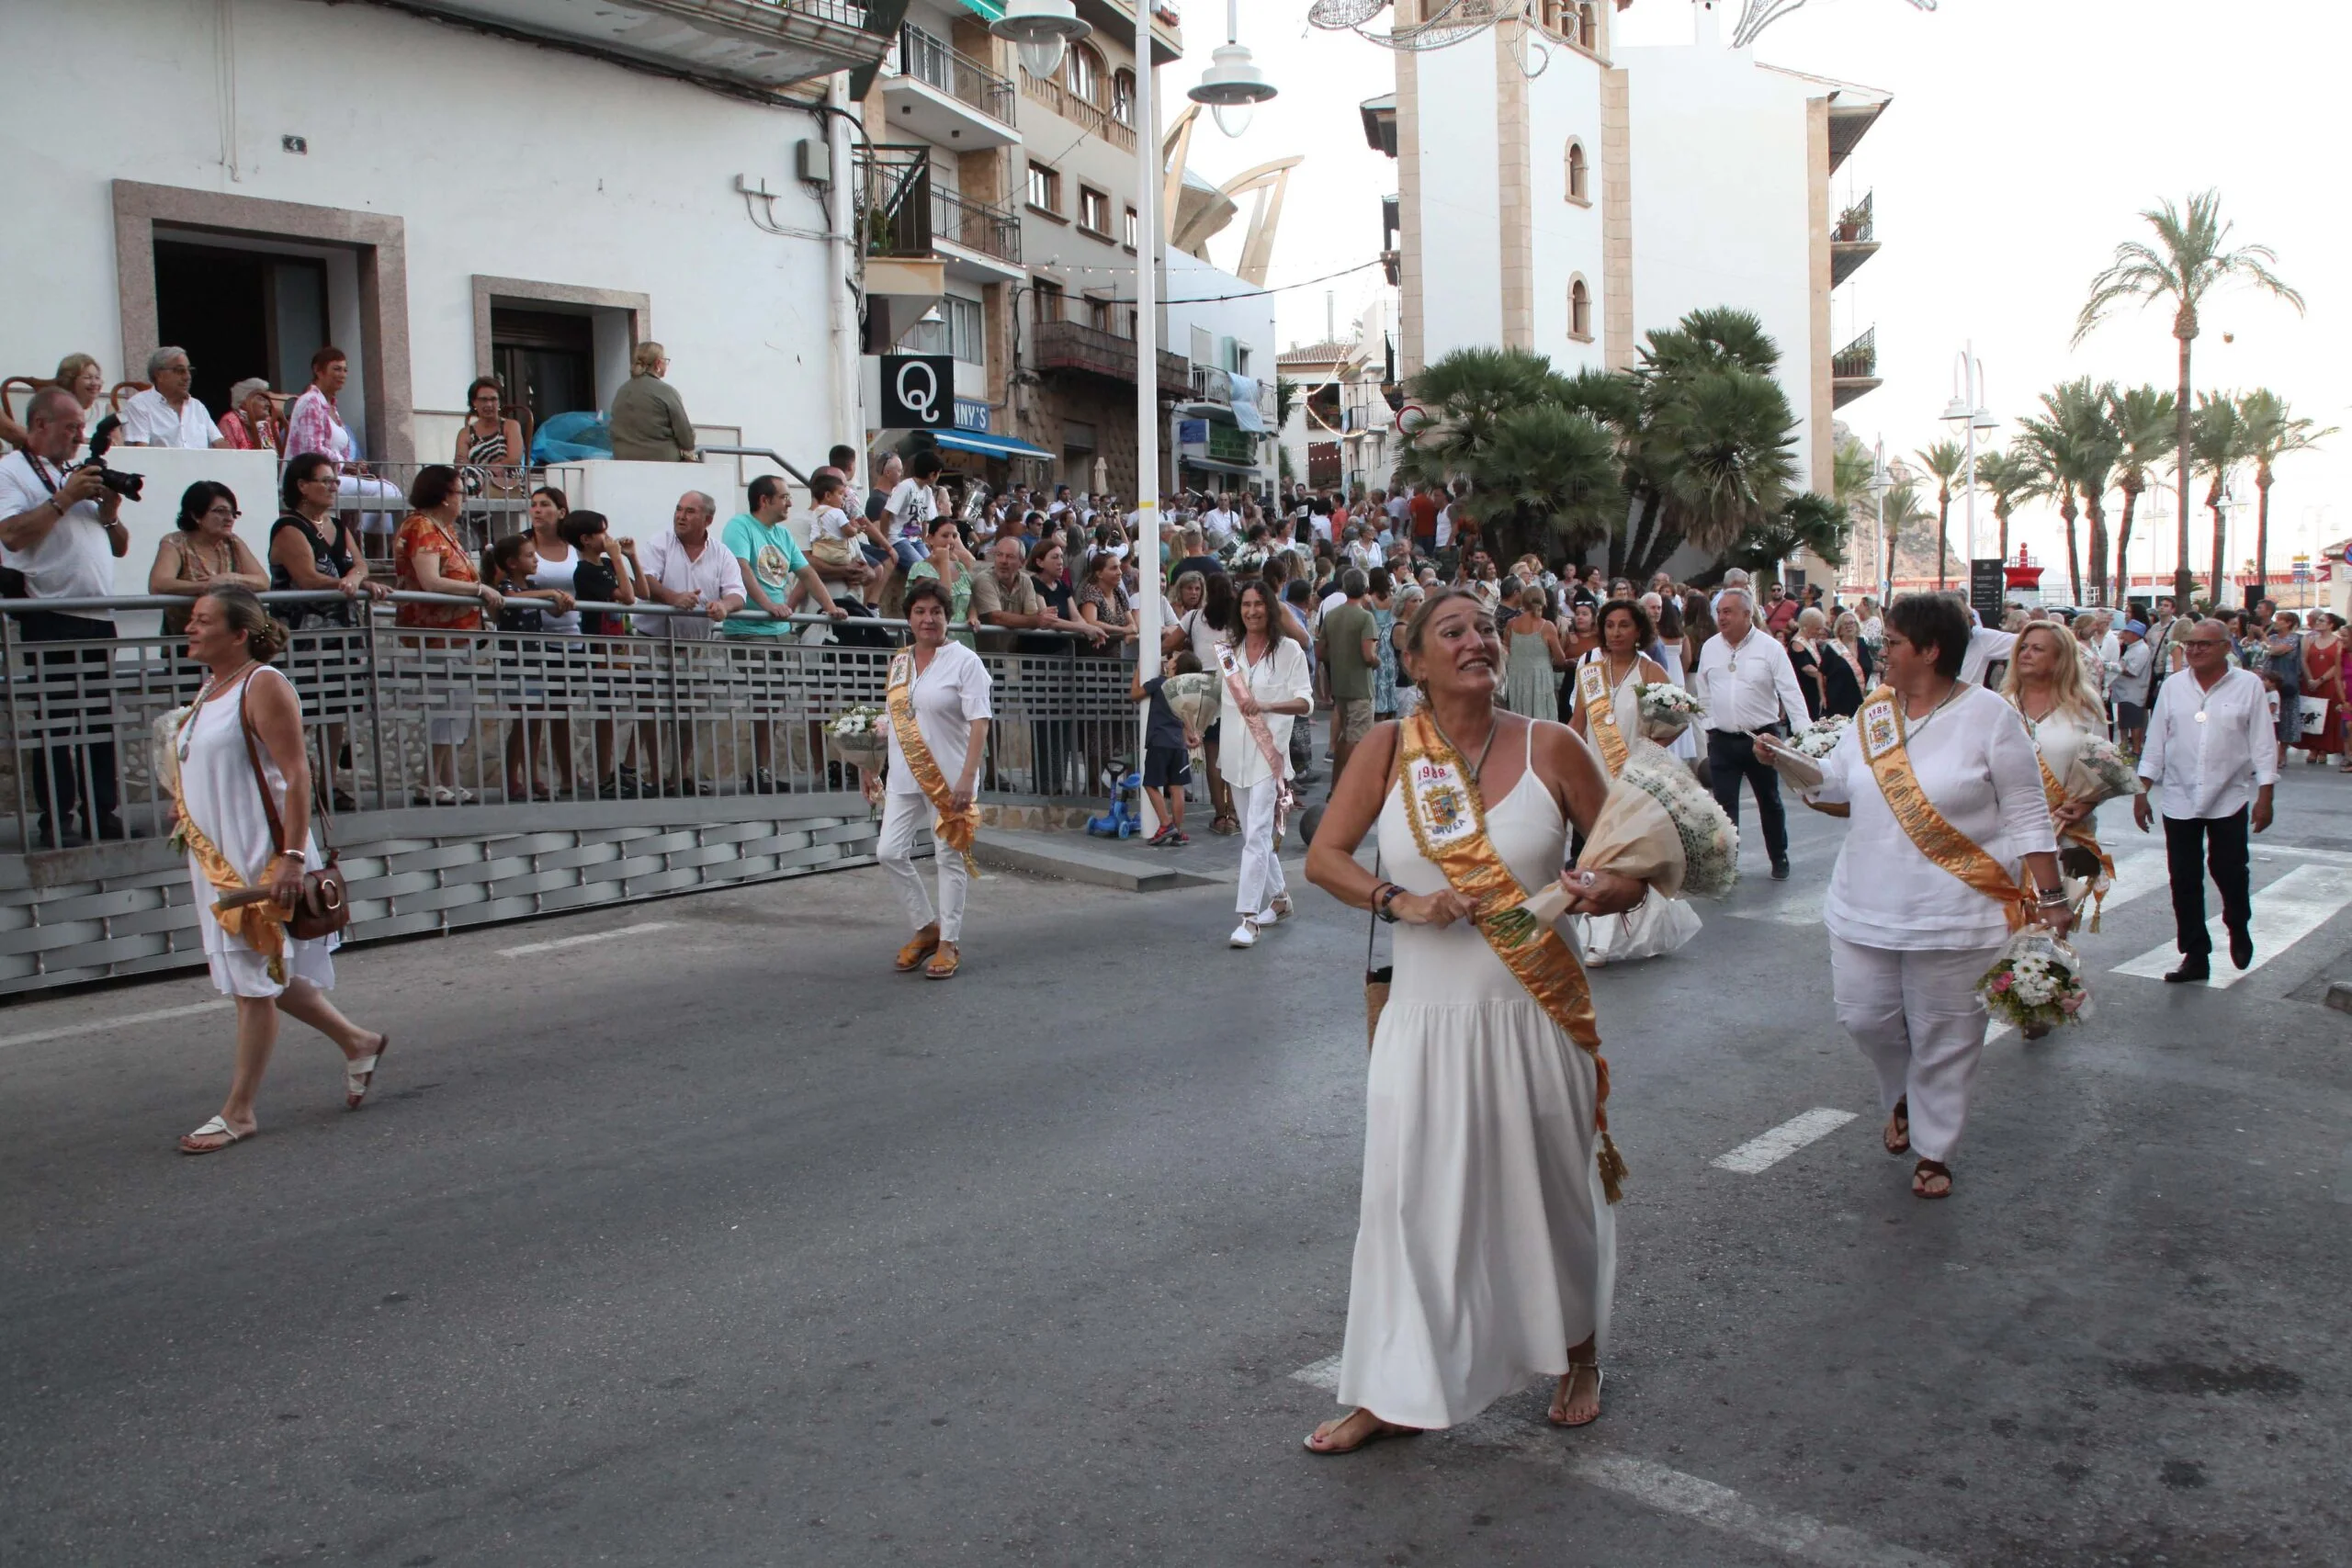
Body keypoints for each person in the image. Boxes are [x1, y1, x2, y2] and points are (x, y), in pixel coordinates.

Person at [1299, 588, 1648, 1450]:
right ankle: (1389, 1386)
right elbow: (1323, 858)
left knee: (1550, 1195)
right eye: (1452, 631)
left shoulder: (1553, 747)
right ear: (1413, 660)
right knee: (1406, 1201)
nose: (1477, 641)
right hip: (1421, 1020)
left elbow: (1632, 868)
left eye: (1487, 628)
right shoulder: (1386, 749)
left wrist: (1604, 887)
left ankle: (1578, 1351)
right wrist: (1399, 899)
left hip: (1533, 1014)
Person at [1759, 593, 2068, 1200]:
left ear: (1931, 650)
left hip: (1957, 910)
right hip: (1864, 901)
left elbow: (2029, 811)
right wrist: (1794, 766)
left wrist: (2052, 895)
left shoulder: (1989, 717)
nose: (1881, 653)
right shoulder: (1874, 713)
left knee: (1947, 1033)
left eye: (1893, 642)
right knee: (1864, 1016)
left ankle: (1935, 1148)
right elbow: (1842, 784)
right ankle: (1901, 1092)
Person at [170, 585, 391, 1155]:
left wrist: (292, 856)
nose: (190, 628)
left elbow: (297, 774)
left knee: (253, 986)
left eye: (202, 620)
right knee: (270, 975)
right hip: (220, 860)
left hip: (261, 856)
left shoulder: (262, 684)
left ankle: (238, 1112)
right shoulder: (209, 690)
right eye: (190, 620)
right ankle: (357, 1040)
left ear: (239, 633)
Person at [0, 385, 132, 845]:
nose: (80, 436)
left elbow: (119, 546)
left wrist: (111, 510)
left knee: (98, 720)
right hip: (48, 612)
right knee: (55, 723)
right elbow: (12, 536)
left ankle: (104, 812)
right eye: (71, 426)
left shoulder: (75, 472)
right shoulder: (11, 471)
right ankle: (57, 821)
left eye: (82, 427)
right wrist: (64, 498)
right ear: (40, 425)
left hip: (97, 613)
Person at [2132, 619, 2278, 983]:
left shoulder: (2248, 687)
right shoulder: (2173, 686)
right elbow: (2156, 741)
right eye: (2191, 643)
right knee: (2184, 877)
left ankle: (2237, 924)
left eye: (2205, 644)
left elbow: (2262, 743)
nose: (2195, 650)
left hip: (2229, 794)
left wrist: (2266, 795)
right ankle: (2195, 954)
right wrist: (2141, 790)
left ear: (2226, 648)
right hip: (2179, 795)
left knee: (2229, 870)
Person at [871, 577, 990, 980]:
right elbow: (892, 718)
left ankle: (949, 942)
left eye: (936, 612)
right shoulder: (901, 661)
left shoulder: (965, 661)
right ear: (908, 618)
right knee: (889, 851)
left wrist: (968, 778)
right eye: (920, 612)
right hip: (904, 774)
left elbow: (980, 722)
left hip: (951, 776)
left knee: (948, 858)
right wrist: (867, 765)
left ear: (947, 616)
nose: (928, 620)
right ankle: (926, 928)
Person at [268, 452, 390, 810]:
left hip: (341, 633)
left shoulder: (336, 525)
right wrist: (347, 583)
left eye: (335, 481)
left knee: (336, 707)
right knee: (300, 710)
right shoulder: (289, 527)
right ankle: (280, 780)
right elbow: (306, 577)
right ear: (302, 486)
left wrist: (356, 579)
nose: (333, 487)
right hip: (303, 636)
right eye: (326, 480)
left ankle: (328, 783)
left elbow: (360, 563)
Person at [393, 465, 501, 805]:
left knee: (456, 707)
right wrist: (478, 589)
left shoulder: (444, 529)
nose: (462, 500)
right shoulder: (422, 526)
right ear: (443, 495)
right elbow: (431, 581)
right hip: (437, 634)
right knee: (446, 706)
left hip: (458, 634)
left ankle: (444, 779)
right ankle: (430, 779)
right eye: (459, 493)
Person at [1218, 580, 1314, 949]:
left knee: (1257, 833)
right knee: (1251, 834)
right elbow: (1218, 698)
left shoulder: (1288, 650)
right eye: (1246, 605)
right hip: (1233, 757)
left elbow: (1305, 701)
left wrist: (1269, 705)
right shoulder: (1229, 654)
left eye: (1259, 604)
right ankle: (1280, 900)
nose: (1252, 611)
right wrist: (1194, 724)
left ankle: (1247, 919)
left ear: (1270, 609)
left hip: (1268, 758)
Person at [1694, 589, 1808, 880]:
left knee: (1769, 800)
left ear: (1747, 614)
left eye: (1728, 611)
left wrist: (1805, 735)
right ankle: (1726, 863)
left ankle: (1778, 855)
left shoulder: (1770, 648)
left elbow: (1791, 692)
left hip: (1761, 738)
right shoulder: (1710, 647)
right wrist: (1708, 723)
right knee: (1724, 805)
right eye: (1719, 612)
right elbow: (1704, 690)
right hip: (1721, 739)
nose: (1722, 617)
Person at [637, 491, 745, 795]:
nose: (681, 516)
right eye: (679, 509)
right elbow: (645, 582)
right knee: (655, 710)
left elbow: (737, 593)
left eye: (690, 511)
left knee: (691, 713)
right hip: (655, 640)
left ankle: (678, 774)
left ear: (707, 519)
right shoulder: (660, 542)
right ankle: (657, 776)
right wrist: (673, 597)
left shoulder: (721, 552)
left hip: (697, 645)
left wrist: (724, 606)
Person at [480, 533, 575, 802]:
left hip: (534, 660)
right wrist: (550, 593)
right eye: (530, 555)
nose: (535, 560)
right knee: (522, 719)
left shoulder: (530, 585)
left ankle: (532, 776)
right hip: (516, 662)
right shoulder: (508, 586)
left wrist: (560, 602)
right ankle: (512, 779)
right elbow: (513, 596)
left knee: (535, 720)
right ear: (511, 562)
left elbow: (549, 610)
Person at [285, 346, 402, 536]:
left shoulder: (331, 406)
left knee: (389, 490)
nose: (343, 375)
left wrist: (353, 466)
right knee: (387, 492)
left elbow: (339, 449)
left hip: (333, 475)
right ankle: (360, 539)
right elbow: (312, 450)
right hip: (312, 478)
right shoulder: (310, 401)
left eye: (345, 370)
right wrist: (345, 464)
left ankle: (359, 540)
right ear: (318, 370)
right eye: (336, 369)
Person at [150, 480, 268, 636]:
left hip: (226, 638)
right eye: (221, 511)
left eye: (233, 513)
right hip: (185, 640)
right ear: (196, 515)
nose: (229, 519)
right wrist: (205, 586)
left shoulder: (233, 542)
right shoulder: (175, 543)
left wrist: (231, 579)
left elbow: (263, 581)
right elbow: (158, 584)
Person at [1135, 649, 1202, 847]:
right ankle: (1179, 831)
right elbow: (1183, 717)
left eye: (1173, 658)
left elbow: (1135, 694)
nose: (1169, 659)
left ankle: (1165, 824)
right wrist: (1190, 734)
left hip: (1159, 741)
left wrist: (1138, 670)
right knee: (1177, 787)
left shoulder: (1159, 683)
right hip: (1178, 745)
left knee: (1150, 783)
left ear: (1174, 666)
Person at [1319, 569, 1381, 785]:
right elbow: (1368, 655)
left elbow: (1320, 651)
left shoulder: (1332, 615)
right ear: (1365, 588)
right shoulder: (1365, 618)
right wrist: (1377, 662)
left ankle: (1336, 786)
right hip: (1361, 687)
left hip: (1340, 684)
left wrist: (1339, 658)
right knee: (1358, 742)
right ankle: (1353, 789)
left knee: (1344, 739)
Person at [0, 353, 107, 455]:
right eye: (87, 378)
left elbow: (118, 445)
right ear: (70, 381)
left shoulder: (106, 409)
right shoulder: (54, 409)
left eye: (97, 377)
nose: (94, 383)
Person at [607, 341, 696, 462]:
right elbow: (685, 436)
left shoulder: (621, 391)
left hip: (624, 459)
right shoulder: (666, 391)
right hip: (662, 460)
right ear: (658, 363)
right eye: (665, 360)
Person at [121, 346, 226, 448]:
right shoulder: (139, 405)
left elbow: (220, 443)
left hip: (200, 465)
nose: (187, 377)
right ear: (159, 375)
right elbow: (140, 453)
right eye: (180, 371)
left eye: (189, 370)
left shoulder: (197, 406)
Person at [904, 512, 976, 645]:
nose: (950, 541)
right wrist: (944, 561)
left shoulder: (960, 567)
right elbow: (944, 597)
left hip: (964, 639)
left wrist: (973, 616)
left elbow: (970, 599)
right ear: (930, 539)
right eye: (945, 536)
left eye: (954, 536)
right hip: (935, 639)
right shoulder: (921, 569)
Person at [454, 376, 527, 500]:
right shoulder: (465, 433)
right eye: (483, 400)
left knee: (469, 478)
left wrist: (487, 469)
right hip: (475, 480)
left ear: (499, 402)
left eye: (493, 399)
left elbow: (514, 459)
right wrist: (482, 470)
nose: (489, 404)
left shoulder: (511, 426)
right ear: (474, 402)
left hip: (508, 481)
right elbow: (461, 463)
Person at [1500, 581, 1566, 717]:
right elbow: (1560, 659)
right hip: (1540, 679)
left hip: (1517, 678)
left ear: (1523, 602)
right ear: (1543, 602)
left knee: (1519, 717)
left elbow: (1505, 648)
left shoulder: (1511, 624)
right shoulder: (1547, 626)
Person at [2297, 610, 2345, 768]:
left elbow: (2337, 665)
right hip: (2310, 681)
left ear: (2331, 625)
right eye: (2317, 620)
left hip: (2328, 682)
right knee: (2310, 713)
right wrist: (2310, 678)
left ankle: (2324, 749)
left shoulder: (2338, 642)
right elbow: (2304, 659)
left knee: (2328, 715)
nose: (2318, 623)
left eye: (2322, 621)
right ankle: (2312, 748)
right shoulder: (2309, 640)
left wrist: (2321, 680)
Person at [1819, 609, 1873, 718]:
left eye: (1851, 623)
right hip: (1837, 698)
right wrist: (1822, 696)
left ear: (1857, 626)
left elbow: (1871, 665)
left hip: (1860, 698)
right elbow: (1820, 673)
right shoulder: (1833, 647)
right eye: (1845, 624)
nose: (1849, 626)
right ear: (1839, 628)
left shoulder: (1864, 644)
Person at [1077, 547, 1136, 645]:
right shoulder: (1091, 590)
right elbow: (1091, 622)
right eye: (1114, 568)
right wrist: (1123, 630)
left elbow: (1132, 626)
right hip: (1093, 655)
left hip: (1116, 656)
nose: (1120, 572)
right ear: (1099, 574)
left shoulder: (1119, 592)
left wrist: (1129, 631)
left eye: (1119, 567)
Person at [217, 378, 283, 453]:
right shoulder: (230, 421)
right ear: (244, 403)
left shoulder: (270, 422)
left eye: (268, 399)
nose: (268, 404)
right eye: (261, 399)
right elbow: (229, 457)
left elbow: (273, 457)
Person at [1787, 605, 1829, 721]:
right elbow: (1806, 667)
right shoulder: (1798, 643)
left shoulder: (1809, 639)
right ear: (1806, 626)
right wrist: (1824, 675)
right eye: (1817, 628)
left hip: (1814, 688)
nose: (1819, 632)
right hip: (1805, 690)